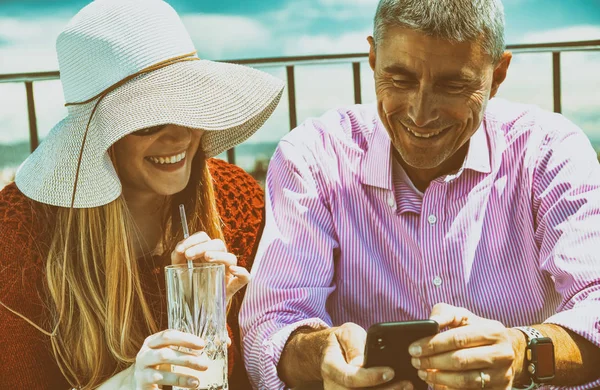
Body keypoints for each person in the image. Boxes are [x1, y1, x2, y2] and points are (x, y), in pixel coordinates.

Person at [239, 0, 600, 389]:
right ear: (373, 59)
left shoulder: (549, 150)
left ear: (497, 75)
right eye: (400, 79)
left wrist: (521, 351)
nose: (420, 113)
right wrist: (320, 356)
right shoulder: (312, 157)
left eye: (453, 85)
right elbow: (270, 329)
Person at [0, 0, 284, 389]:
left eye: (192, 109)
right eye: (149, 121)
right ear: (101, 136)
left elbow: (238, 378)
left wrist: (205, 314)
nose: (181, 136)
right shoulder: (18, 234)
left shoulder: (235, 201)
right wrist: (128, 382)